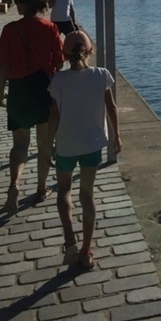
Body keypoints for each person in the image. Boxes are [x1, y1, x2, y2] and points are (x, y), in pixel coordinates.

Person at [48, 31, 121, 270]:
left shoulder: (59, 80)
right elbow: (111, 108)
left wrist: (49, 145)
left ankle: (70, 240)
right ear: (90, 51)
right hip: (91, 145)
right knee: (87, 196)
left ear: (65, 55)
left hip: (67, 145)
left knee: (64, 191)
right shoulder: (101, 75)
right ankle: (86, 251)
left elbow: (54, 116)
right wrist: (116, 137)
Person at [0, 0, 65, 215]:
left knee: (19, 145)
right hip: (43, 89)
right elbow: (59, 62)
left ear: (24, 5)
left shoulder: (10, 29)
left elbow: (3, 66)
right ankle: (41, 188)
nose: (16, 5)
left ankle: (14, 185)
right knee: (44, 145)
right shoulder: (50, 27)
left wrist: (2, 92)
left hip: (19, 90)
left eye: (17, 2)